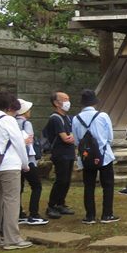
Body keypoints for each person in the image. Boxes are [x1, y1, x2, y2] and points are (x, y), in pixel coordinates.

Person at [0, 92, 32, 249]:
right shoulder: (8, 120)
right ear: (10, 107)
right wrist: (25, 163)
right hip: (9, 165)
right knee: (11, 201)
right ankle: (12, 239)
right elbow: (18, 143)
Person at [71, 89, 119, 224]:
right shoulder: (103, 116)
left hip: (86, 156)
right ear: (94, 102)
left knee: (89, 185)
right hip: (103, 154)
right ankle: (107, 214)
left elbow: (75, 140)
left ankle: (90, 216)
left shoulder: (75, 119)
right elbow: (110, 136)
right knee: (108, 185)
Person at [43, 90, 76, 219]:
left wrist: (71, 136)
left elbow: (72, 135)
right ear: (56, 103)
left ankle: (61, 203)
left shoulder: (67, 118)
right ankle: (51, 206)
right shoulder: (55, 118)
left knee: (67, 180)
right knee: (60, 180)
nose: (68, 102)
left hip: (69, 153)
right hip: (60, 154)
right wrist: (71, 137)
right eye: (65, 99)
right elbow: (65, 138)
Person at [15, 99, 47, 226]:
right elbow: (29, 142)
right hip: (28, 160)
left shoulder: (11, 122)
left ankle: (19, 213)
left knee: (19, 188)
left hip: (15, 161)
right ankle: (34, 214)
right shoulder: (26, 124)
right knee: (36, 186)